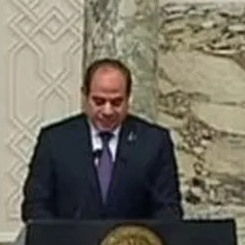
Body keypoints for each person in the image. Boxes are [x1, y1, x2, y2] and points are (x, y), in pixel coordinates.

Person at [20, 58, 183, 222]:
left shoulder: (154, 142)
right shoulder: (55, 141)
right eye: (99, 101)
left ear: (128, 98)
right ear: (85, 96)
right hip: (70, 237)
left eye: (116, 102)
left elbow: (168, 209)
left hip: (131, 238)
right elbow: (35, 206)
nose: (107, 111)